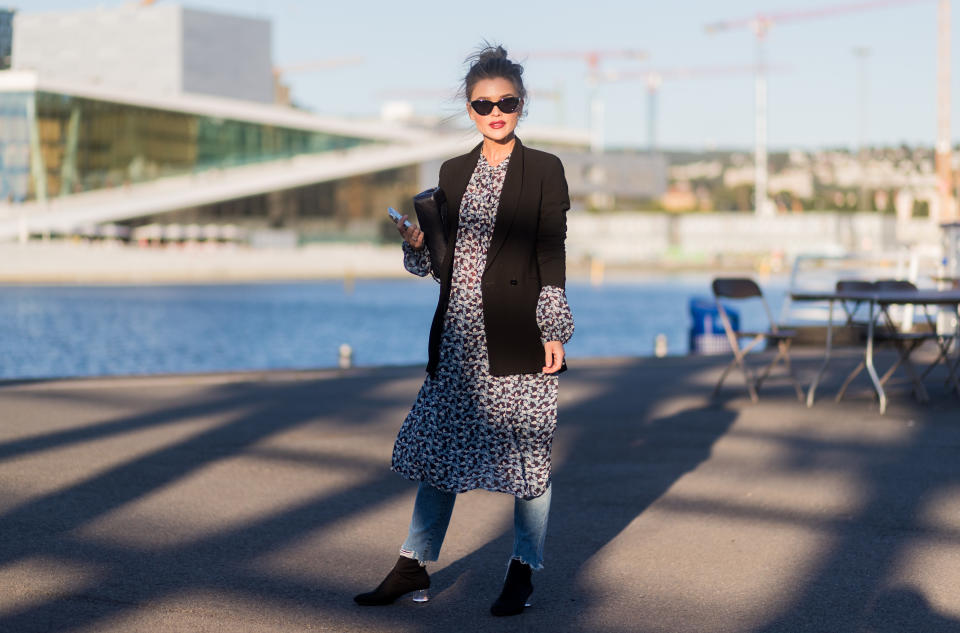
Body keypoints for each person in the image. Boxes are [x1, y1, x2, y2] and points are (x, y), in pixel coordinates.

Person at [353, 44, 574, 617]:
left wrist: (553, 327)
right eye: (483, 104)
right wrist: (418, 247)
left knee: (529, 456)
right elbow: (440, 270)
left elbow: (551, 250)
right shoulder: (453, 172)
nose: (496, 113)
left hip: (520, 330)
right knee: (440, 451)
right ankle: (412, 567)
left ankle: (523, 570)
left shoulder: (545, 169)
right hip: (458, 337)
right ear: (469, 109)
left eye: (507, 103)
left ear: (522, 104)